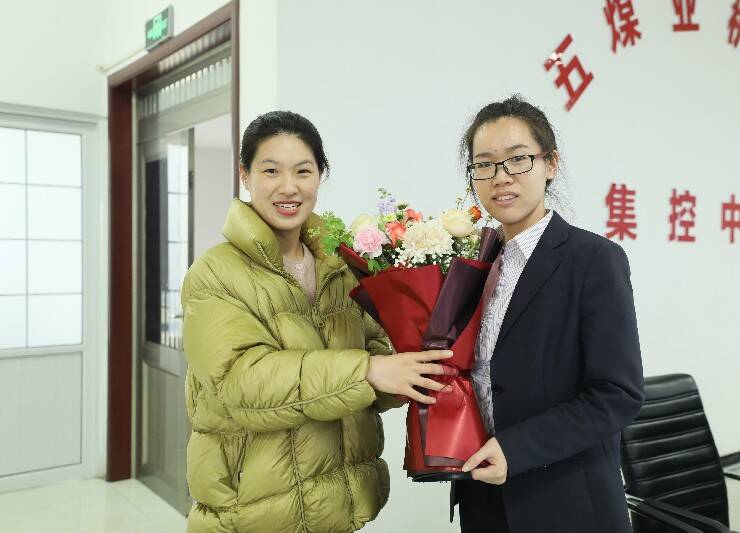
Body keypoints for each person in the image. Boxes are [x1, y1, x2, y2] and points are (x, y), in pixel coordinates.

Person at [181, 110, 453, 532]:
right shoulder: (214, 274)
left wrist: (415, 366)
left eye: (303, 171)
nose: (289, 186)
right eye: (271, 170)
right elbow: (242, 382)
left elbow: (376, 361)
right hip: (252, 515)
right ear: (245, 175)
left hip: (339, 510)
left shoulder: (340, 267)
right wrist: (368, 371)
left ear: (321, 176)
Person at [452, 95, 645, 533]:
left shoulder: (593, 259)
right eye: (484, 165)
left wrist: (516, 449)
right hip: (482, 493)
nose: (501, 177)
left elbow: (618, 393)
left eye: (518, 159)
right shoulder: (474, 264)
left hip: (565, 501)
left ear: (550, 163)